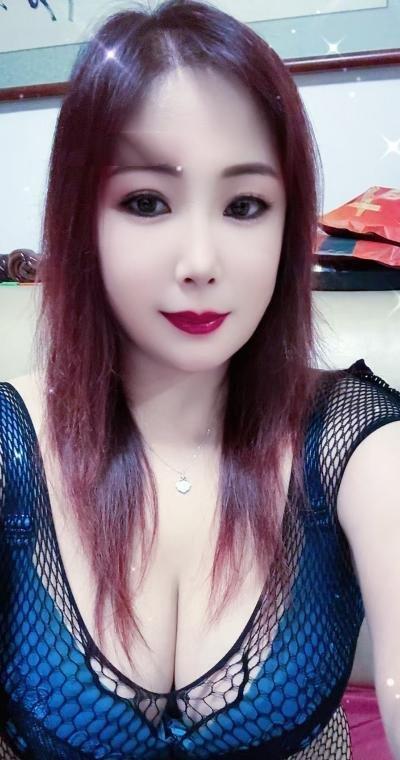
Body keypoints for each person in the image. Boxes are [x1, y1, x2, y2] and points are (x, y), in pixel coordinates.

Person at [1, 1, 399, 757]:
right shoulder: (10, 446)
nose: (200, 262)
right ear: (82, 221)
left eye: (245, 205)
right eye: (146, 202)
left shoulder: (354, 441)